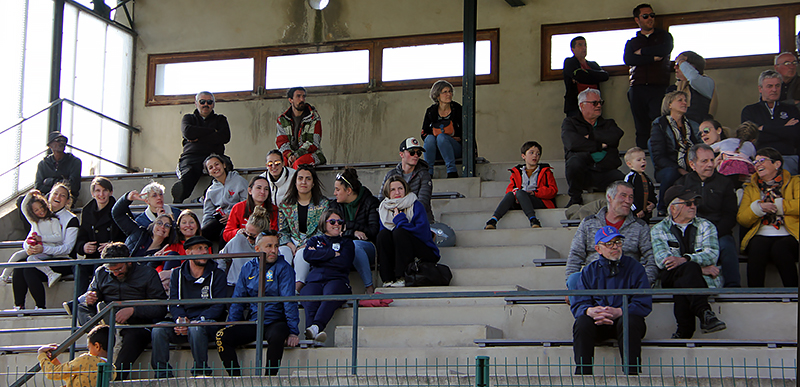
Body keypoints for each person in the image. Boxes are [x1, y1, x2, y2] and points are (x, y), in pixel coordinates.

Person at [78, 242, 167, 380]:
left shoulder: (148, 273)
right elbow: (93, 291)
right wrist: (91, 295)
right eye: (111, 270)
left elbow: (160, 307)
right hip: (108, 320)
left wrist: (133, 310)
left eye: (119, 268)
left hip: (137, 325)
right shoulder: (101, 272)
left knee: (132, 338)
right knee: (81, 306)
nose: (115, 273)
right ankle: (96, 328)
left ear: (129, 260)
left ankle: (113, 379)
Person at [216, 230, 300, 376]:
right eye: (268, 246)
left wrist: (293, 331)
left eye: (276, 246)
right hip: (254, 321)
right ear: (257, 249)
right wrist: (232, 325)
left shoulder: (284, 268)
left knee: (276, 337)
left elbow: (288, 301)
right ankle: (237, 380)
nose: (273, 250)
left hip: (276, 321)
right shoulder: (248, 268)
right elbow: (238, 300)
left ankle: (268, 380)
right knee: (222, 336)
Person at [572, 226, 651, 376]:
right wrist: (591, 311)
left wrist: (620, 311)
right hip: (599, 323)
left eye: (618, 242)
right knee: (582, 323)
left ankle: (632, 375)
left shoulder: (635, 268)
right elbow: (579, 303)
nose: (615, 246)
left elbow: (643, 302)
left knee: (630, 321)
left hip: (626, 322)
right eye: (609, 244)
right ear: (598, 248)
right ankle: (583, 375)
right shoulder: (589, 271)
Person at [650, 185, 726, 339]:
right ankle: (705, 313)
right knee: (689, 270)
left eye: (694, 203)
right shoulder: (658, 229)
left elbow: (711, 254)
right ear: (673, 208)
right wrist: (701, 268)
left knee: (684, 279)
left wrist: (685, 259)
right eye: (688, 203)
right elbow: (664, 261)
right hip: (671, 275)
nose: (693, 207)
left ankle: (684, 330)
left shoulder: (707, 226)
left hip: (686, 280)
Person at [566, 181, 658, 304]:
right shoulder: (589, 223)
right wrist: (569, 289)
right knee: (574, 279)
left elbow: (651, 257)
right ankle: (589, 316)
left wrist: (644, 281)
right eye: (623, 196)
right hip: (595, 281)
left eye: (631, 197)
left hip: (625, 282)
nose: (628, 201)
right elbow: (575, 255)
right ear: (609, 197)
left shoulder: (640, 226)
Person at [151, 236, 227, 378]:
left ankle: (201, 371)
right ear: (188, 252)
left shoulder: (218, 274)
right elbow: (174, 302)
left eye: (206, 248)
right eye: (199, 248)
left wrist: (196, 321)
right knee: (159, 329)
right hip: (185, 323)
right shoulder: (177, 274)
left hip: (208, 323)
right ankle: (162, 374)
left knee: (196, 328)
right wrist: (180, 320)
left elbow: (218, 306)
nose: (204, 252)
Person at [675, 144, 740, 287]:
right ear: (692, 164)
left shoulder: (725, 183)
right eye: (704, 161)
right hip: (691, 231)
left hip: (719, 231)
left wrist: (712, 233)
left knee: (727, 246)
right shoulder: (682, 184)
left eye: (712, 160)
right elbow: (678, 213)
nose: (710, 165)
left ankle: (733, 287)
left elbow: (730, 215)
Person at [736, 148, 799, 287]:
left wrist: (779, 206)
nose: (757, 164)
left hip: (791, 233)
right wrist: (758, 208)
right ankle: (755, 295)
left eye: (762, 160)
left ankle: (794, 293)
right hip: (761, 233)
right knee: (757, 248)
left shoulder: (795, 182)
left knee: (780, 249)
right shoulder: (750, 188)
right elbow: (742, 219)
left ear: (777, 164)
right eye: (756, 162)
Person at [12, 183, 78, 310]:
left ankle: (40, 306)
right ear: (49, 196)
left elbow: (67, 248)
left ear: (68, 201)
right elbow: (30, 236)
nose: (58, 197)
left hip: (62, 259)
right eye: (55, 193)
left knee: (29, 268)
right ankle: (19, 307)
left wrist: (43, 249)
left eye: (63, 195)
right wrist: (28, 247)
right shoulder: (41, 214)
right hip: (43, 257)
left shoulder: (71, 219)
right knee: (19, 265)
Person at [561, 88, 625, 207]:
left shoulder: (608, 123)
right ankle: (575, 198)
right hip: (584, 172)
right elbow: (572, 143)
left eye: (600, 102)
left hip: (605, 170)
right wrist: (600, 145)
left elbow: (616, 135)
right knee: (574, 163)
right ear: (582, 105)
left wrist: (590, 136)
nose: (599, 106)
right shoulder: (571, 123)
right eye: (594, 103)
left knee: (622, 180)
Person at [300, 209, 355, 343]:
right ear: (324, 224)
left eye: (340, 221)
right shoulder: (315, 240)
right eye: (332, 221)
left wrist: (320, 255)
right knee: (308, 294)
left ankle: (315, 327)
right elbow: (307, 255)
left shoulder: (347, 243)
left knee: (331, 293)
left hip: (337, 280)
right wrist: (332, 253)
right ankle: (314, 332)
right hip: (314, 279)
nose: (337, 224)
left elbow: (344, 262)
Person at [623, 3, 674, 149]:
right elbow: (629, 60)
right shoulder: (632, 42)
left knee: (660, 122)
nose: (650, 18)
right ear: (637, 20)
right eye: (645, 16)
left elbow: (665, 49)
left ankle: (662, 154)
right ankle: (641, 158)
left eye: (652, 15)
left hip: (658, 87)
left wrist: (642, 52)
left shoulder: (664, 37)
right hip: (637, 88)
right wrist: (652, 58)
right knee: (641, 126)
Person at [376, 176, 440, 287]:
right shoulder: (384, 208)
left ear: (405, 189)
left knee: (400, 232)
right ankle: (388, 279)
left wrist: (401, 220)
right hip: (398, 251)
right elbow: (386, 238)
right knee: (383, 235)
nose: (397, 192)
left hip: (422, 249)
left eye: (400, 188)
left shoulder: (416, 205)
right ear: (388, 192)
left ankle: (403, 277)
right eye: (393, 189)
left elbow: (423, 234)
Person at [171, 91, 231, 203]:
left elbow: (225, 137)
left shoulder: (220, 119)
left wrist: (198, 136)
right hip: (192, 156)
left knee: (226, 166)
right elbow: (188, 133)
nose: (206, 104)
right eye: (202, 101)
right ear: (196, 103)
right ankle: (178, 199)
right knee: (189, 173)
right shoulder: (188, 118)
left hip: (214, 156)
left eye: (209, 102)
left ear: (213, 104)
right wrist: (213, 132)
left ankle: (204, 198)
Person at [649, 90, 701, 216]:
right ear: (669, 104)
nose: (684, 103)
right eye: (680, 100)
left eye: (685, 100)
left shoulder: (692, 124)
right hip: (667, 168)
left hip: (691, 165)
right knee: (671, 173)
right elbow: (658, 157)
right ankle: (662, 207)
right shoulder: (660, 124)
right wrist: (679, 169)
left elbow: (700, 146)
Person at [278, 164, 329, 292]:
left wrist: (304, 245)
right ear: (295, 182)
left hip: (313, 241)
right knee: (283, 253)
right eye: (300, 178)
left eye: (308, 179)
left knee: (303, 254)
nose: (304, 182)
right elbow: (282, 231)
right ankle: (280, 288)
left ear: (313, 183)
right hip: (291, 241)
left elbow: (322, 229)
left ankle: (296, 289)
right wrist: (290, 244)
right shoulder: (285, 205)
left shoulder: (323, 204)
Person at [485, 141, 557, 229]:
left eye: (538, 154)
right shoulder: (517, 171)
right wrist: (515, 192)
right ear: (523, 156)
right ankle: (493, 220)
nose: (535, 155)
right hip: (519, 199)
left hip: (537, 199)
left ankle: (533, 219)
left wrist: (534, 193)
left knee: (520, 193)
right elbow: (509, 189)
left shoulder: (546, 171)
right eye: (531, 153)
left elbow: (553, 190)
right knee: (512, 194)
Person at [741, 69, 800, 175]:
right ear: (760, 88)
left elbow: (795, 134)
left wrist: (765, 129)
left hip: (787, 157)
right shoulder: (750, 111)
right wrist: (784, 128)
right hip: (760, 159)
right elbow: (752, 138)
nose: (774, 90)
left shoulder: (791, 109)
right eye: (770, 86)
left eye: (777, 86)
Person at [329, 168, 379, 293]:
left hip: (368, 247)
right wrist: (352, 232)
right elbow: (331, 231)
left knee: (354, 246)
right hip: (343, 245)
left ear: (349, 191)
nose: (334, 193)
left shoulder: (370, 202)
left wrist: (348, 226)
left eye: (337, 189)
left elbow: (373, 231)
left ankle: (369, 288)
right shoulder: (334, 206)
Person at [3, 190, 65, 287]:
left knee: (31, 259)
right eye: (36, 210)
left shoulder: (53, 221)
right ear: (33, 213)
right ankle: (4, 276)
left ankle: (51, 274)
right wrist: (29, 195)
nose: (40, 211)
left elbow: (58, 237)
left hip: (47, 250)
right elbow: (24, 208)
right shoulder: (34, 222)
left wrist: (41, 238)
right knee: (17, 255)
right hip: (35, 249)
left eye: (41, 207)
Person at [74, 177, 124, 296]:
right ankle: (80, 300)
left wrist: (112, 245)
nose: (101, 194)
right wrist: (84, 246)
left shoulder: (118, 209)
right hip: (92, 256)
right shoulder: (87, 211)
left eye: (105, 190)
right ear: (92, 193)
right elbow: (81, 237)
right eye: (97, 191)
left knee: (99, 268)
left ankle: (91, 299)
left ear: (110, 192)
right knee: (80, 268)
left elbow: (128, 236)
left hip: (111, 257)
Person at [37, 325, 116, 386]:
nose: (88, 352)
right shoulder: (112, 369)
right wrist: (53, 360)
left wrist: (42, 355)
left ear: (97, 346)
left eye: (89, 348)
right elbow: (72, 377)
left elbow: (53, 373)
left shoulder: (87, 360)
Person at [379, 137, 434, 223]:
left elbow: (423, 203)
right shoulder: (391, 175)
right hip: (393, 220)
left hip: (419, 221)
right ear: (401, 154)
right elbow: (382, 199)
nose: (416, 155)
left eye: (418, 153)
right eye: (412, 152)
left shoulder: (424, 175)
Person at [218, 205, 272, 290]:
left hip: (258, 288)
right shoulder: (238, 239)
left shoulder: (270, 246)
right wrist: (221, 279)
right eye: (246, 233)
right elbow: (221, 257)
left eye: (252, 236)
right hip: (234, 286)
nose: (247, 238)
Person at [112, 190, 179, 258]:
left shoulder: (164, 251)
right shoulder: (138, 233)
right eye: (159, 223)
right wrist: (127, 198)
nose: (162, 227)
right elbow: (117, 214)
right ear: (153, 224)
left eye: (167, 225)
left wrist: (155, 259)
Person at [201, 154, 248, 245]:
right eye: (211, 167)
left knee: (224, 234)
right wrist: (205, 227)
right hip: (220, 221)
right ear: (209, 173)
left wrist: (231, 215)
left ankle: (222, 259)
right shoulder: (210, 191)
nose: (215, 168)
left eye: (217, 164)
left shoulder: (239, 181)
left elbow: (246, 203)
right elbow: (208, 213)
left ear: (224, 165)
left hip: (238, 219)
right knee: (202, 233)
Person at [276, 87, 326, 169]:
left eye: (303, 96)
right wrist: (290, 155)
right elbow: (281, 142)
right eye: (298, 96)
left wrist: (296, 155)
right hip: (290, 155)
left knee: (299, 163)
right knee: (279, 163)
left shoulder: (314, 117)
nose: (302, 99)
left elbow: (313, 142)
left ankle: (295, 181)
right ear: (290, 100)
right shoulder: (282, 119)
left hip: (312, 154)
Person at [421, 80, 463, 178]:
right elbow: (424, 133)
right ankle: (429, 172)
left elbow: (466, 132)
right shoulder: (431, 111)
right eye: (445, 92)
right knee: (430, 139)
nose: (449, 94)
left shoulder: (458, 109)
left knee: (442, 138)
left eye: (450, 91)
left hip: (454, 148)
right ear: (437, 95)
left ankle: (451, 171)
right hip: (436, 150)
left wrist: (457, 138)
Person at [563, 36, 609, 118]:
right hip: (576, 105)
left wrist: (585, 73)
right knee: (576, 129)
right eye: (580, 45)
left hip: (594, 104)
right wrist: (593, 77)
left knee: (595, 129)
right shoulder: (569, 62)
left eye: (585, 45)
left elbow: (605, 76)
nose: (584, 48)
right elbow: (579, 76)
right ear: (572, 49)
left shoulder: (593, 64)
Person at [223, 175, 278, 243]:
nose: (262, 192)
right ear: (250, 190)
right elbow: (226, 234)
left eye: (266, 189)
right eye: (259, 188)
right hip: (242, 245)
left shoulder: (274, 210)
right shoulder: (238, 208)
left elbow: (276, 233)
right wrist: (238, 232)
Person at [667, 51, 716, 123]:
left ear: (691, 67)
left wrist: (681, 60)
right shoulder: (672, 89)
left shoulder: (706, 83)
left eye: (679, 65)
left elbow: (694, 79)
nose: (675, 67)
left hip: (698, 128)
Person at [36, 132, 82, 199]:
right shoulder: (43, 164)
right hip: (46, 197)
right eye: (58, 140)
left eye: (64, 141)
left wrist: (50, 181)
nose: (62, 143)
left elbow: (74, 186)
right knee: (21, 200)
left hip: (66, 197)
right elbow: (38, 187)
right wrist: (62, 181)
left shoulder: (75, 162)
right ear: (50, 145)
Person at [623, 147, 656, 222]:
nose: (643, 162)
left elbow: (652, 194)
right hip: (633, 215)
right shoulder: (630, 178)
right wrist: (636, 210)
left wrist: (653, 204)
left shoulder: (647, 178)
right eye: (639, 160)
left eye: (644, 159)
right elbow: (627, 195)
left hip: (646, 215)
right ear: (629, 164)